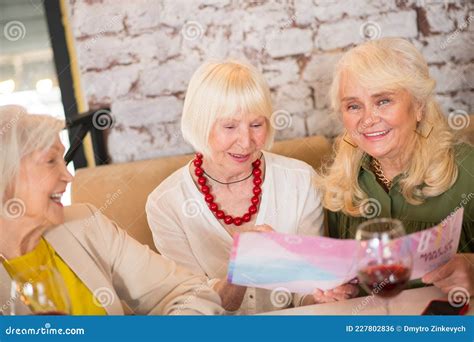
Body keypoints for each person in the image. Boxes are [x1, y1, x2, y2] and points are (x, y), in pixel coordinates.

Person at [146, 60, 349, 314]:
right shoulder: (165, 204)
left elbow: (306, 291)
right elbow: (194, 307)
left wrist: (322, 297)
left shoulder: (300, 179)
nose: (246, 142)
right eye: (230, 126)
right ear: (200, 123)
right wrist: (240, 270)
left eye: (256, 125)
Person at [0, 105, 223, 315]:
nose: (68, 176)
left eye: (62, 159)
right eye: (50, 161)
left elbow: (189, 292)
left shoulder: (86, 224)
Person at [315, 37, 474, 296]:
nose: (368, 119)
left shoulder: (469, 171)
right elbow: (342, 280)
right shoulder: (341, 183)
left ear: (419, 106)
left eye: (383, 101)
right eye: (354, 106)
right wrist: (341, 290)